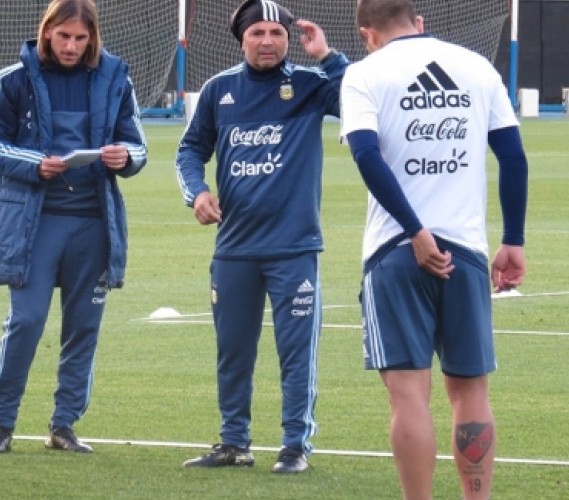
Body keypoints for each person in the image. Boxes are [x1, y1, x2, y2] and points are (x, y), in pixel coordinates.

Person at [339, 0, 528, 498]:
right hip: (464, 248)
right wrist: (513, 239)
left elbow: (365, 155)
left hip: (393, 251)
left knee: (408, 396)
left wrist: (415, 231)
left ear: (367, 33)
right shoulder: (475, 66)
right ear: (418, 21)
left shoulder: (364, 74)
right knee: (470, 390)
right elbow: (512, 156)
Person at [175, 0, 348, 474]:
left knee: (296, 355)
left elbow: (359, 102)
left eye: (277, 33)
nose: (268, 41)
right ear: (242, 39)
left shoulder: (310, 85)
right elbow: (189, 150)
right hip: (234, 249)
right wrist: (198, 193)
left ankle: (295, 446)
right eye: (258, 33)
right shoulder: (219, 91)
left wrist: (327, 55)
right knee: (233, 351)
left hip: (294, 249)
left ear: (289, 39)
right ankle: (234, 442)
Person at [0, 0, 147, 455]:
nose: (71, 46)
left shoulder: (115, 79)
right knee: (26, 322)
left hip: (93, 224)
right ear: (47, 31)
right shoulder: (11, 79)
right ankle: (2, 424)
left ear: (93, 38)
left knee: (83, 327)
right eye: (63, 36)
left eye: (80, 38)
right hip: (34, 223)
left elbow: (137, 145)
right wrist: (36, 164)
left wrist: (124, 157)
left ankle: (64, 426)